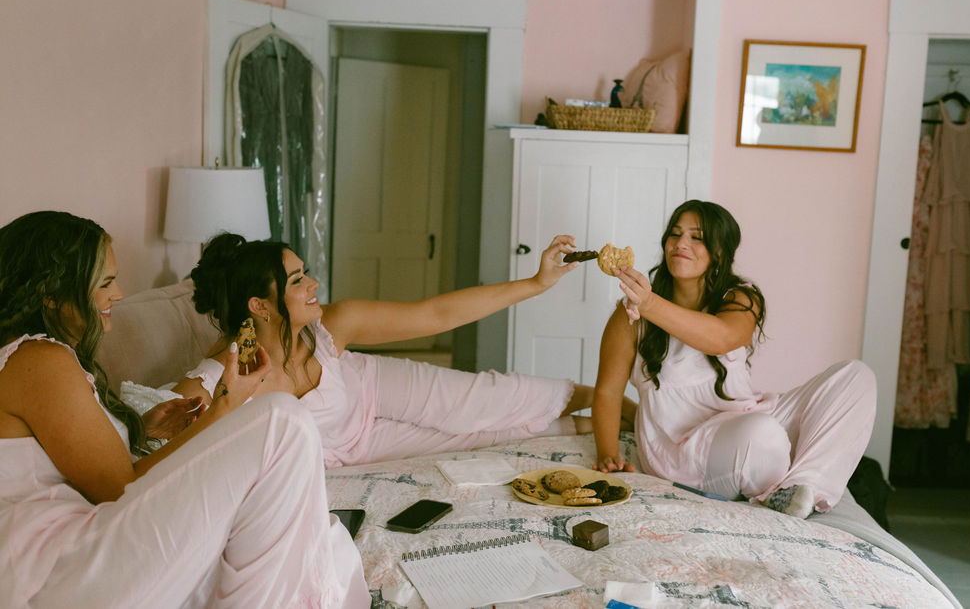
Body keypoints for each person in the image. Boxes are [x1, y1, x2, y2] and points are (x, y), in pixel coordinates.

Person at [0, 211, 369, 608]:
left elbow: (75, 463)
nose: (119, 294)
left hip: (75, 554)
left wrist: (142, 429)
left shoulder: (35, 360)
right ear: (51, 294)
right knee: (283, 420)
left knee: (304, 526)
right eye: (105, 283)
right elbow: (121, 490)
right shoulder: (39, 359)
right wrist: (222, 408)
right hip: (61, 569)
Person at [173, 232, 596, 468]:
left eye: (306, 273)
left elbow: (435, 315)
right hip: (355, 446)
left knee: (486, 399)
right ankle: (598, 426)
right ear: (259, 306)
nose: (312, 285)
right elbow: (160, 444)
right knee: (481, 438)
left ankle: (610, 400)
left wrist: (537, 283)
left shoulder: (329, 328)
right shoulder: (218, 379)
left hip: (369, 388)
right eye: (297, 280)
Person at [591, 200, 876, 518]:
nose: (681, 243)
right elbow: (607, 392)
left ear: (721, 251)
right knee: (762, 434)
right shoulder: (630, 315)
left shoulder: (740, 297)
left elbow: (721, 338)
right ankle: (781, 477)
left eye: (697, 237)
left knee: (855, 376)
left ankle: (800, 485)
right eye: (675, 234)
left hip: (745, 417)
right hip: (685, 451)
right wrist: (607, 454)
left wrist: (648, 302)